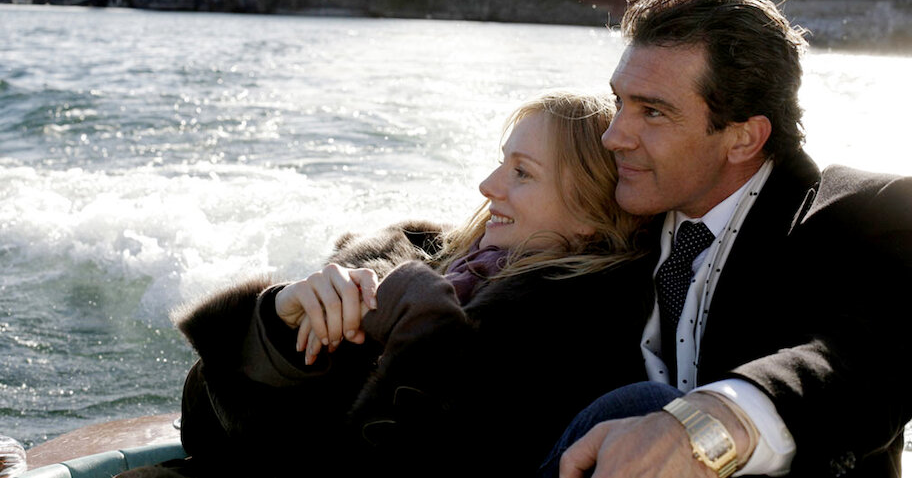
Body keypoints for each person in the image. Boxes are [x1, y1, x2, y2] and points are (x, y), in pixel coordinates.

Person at [152, 90, 656, 478]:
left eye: (522, 172)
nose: (488, 186)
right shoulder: (411, 258)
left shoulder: (578, 336)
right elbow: (203, 429)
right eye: (502, 161)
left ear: (590, 215)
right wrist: (278, 325)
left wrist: (424, 333)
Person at [538, 0, 912, 478]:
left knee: (644, 403)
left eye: (653, 112)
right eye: (619, 102)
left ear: (743, 139)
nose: (613, 136)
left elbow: (873, 356)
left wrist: (710, 426)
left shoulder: (863, 214)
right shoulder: (616, 201)